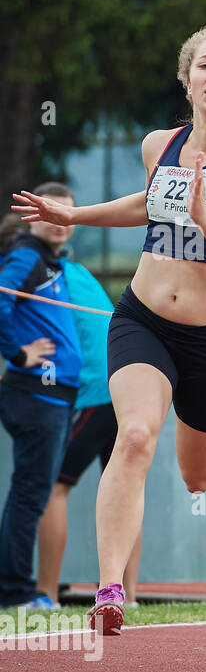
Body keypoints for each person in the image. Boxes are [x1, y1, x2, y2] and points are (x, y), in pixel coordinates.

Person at [13, 23, 206, 634]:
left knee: (197, 473)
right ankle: (110, 591)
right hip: (144, 320)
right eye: (204, 65)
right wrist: (73, 212)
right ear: (187, 80)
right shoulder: (159, 144)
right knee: (134, 437)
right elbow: (146, 204)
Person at [36, 252, 144, 608]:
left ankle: (46, 594)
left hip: (98, 393)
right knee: (126, 486)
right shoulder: (77, 272)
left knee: (53, 488)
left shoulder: (46, 276)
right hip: (122, 387)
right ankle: (129, 596)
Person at [0, 183, 82, 609]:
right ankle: (14, 592)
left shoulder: (52, 261)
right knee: (31, 493)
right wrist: (17, 353)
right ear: (36, 216)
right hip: (36, 396)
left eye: (67, 215)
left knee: (31, 491)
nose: (61, 223)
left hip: (53, 397)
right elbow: (0, 299)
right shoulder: (28, 256)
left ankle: (14, 588)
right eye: (52, 213)